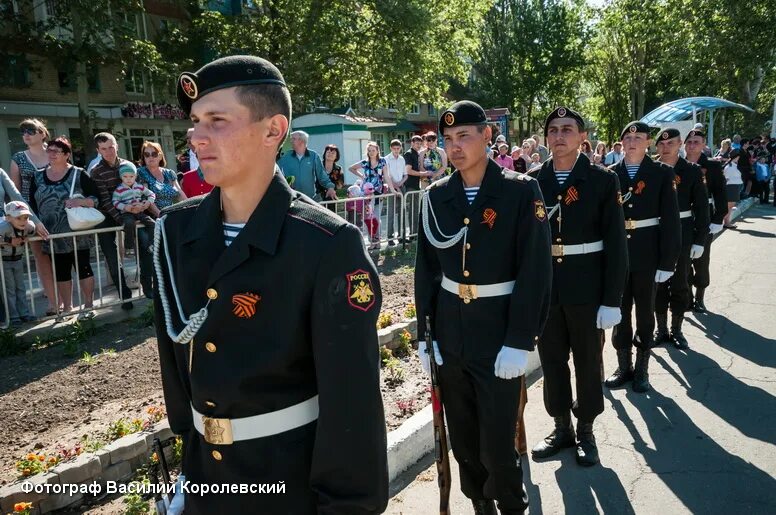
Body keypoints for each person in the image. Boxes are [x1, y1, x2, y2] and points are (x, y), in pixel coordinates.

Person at [155, 55, 388, 514]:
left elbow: (352, 399)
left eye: (217, 120)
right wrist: (188, 465)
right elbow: (176, 359)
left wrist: (347, 507)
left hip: (287, 480)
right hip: (206, 479)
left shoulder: (325, 243)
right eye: (196, 122)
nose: (196, 137)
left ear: (273, 130)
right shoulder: (175, 232)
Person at [415, 100, 551, 515]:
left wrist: (520, 339)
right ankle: (480, 506)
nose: (455, 147)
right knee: (465, 443)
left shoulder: (519, 190)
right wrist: (425, 335)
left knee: (497, 447)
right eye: (449, 139)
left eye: (465, 136)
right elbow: (427, 270)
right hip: (452, 334)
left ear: (487, 136)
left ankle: (511, 506)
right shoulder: (437, 195)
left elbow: (536, 270)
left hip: (499, 335)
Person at [528, 107, 627, 467]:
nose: (559, 136)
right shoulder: (533, 180)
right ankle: (561, 427)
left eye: (567, 129)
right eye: (553, 130)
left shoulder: (602, 180)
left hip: (588, 287)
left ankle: (585, 429)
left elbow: (616, 243)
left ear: (582, 137)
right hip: (548, 290)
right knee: (552, 361)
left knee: (587, 361)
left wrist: (612, 298)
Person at [604, 121, 680, 394]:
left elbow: (671, 221)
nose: (632, 141)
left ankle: (642, 370)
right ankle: (623, 367)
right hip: (617, 256)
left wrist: (667, 261)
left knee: (645, 315)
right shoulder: (610, 173)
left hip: (648, 255)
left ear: (648, 142)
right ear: (621, 142)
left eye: (639, 137)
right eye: (628, 137)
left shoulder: (661, 173)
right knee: (619, 312)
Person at [29, 136, 99, 319]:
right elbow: (31, 204)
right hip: (52, 235)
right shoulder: (37, 176)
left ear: (67, 155)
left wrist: (81, 201)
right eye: (49, 150)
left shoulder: (79, 173)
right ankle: (68, 308)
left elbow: (96, 199)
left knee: (83, 267)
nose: (51, 154)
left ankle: (89, 305)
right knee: (61, 271)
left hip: (78, 232)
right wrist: (36, 223)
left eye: (56, 151)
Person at [653, 128, 710, 350]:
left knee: (680, 283)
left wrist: (700, 240)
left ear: (680, 145)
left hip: (683, 233)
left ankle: (676, 329)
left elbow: (702, 208)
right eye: (662, 144)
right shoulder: (651, 169)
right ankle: (661, 328)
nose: (666, 148)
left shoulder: (692, 171)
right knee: (658, 285)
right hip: (655, 233)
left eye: (671, 144)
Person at [91, 132, 152, 305]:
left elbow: (139, 190)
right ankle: (124, 295)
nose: (109, 151)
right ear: (98, 150)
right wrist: (123, 220)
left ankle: (147, 285)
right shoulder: (97, 171)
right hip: (108, 214)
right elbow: (104, 199)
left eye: (111, 147)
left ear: (116, 145)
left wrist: (141, 206)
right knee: (111, 255)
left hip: (132, 212)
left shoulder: (129, 165)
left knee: (145, 245)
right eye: (104, 149)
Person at [9, 118, 57, 315]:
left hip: (57, 210)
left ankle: (66, 300)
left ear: (42, 133)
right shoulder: (19, 158)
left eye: (31, 130)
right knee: (41, 256)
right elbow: (15, 192)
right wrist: (26, 219)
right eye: (23, 131)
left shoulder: (55, 152)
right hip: (32, 213)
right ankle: (53, 303)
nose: (26, 134)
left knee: (62, 255)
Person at [683, 129, 727, 312]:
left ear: (703, 145)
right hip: (683, 218)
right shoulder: (677, 164)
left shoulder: (713, 166)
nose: (692, 145)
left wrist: (718, 218)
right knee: (683, 260)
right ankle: (687, 296)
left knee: (701, 260)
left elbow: (720, 193)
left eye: (696, 142)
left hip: (704, 217)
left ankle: (700, 297)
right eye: (689, 141)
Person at [0, 201, 38, 325]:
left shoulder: (28, 225)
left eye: (26, 217)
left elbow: (33, 230)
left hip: (18, 259)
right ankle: (13, 316)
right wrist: (9, 240)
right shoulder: (4, 226)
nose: (23, 221)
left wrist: (26, 236)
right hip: (4, 261)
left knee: (21, 288)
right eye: (18, 218)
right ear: (8, 218)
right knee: (9, 289)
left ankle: (24, 313)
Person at [277, 131, 337, 201]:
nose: (291, 141)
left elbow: (322, 175)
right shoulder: (286, 156)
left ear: (301, 141)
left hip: (310, 199)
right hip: (292, 199)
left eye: (293, 139)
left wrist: (330, 187)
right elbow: (275, 169)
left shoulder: (313, 156)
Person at [348, 142, 387, 247]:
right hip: (366, 194)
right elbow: (351, 168)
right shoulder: (365, 162)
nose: (371, 152)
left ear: (377, 150)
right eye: (369, 151)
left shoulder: (382, 161)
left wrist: (392, 189)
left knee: (377, 217)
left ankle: (377, 240)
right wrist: (362, 176)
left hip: (378, 192)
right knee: (368, 218)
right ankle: (371, 241)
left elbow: (387, 176)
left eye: (373, 150)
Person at [113, 162, 156, 255]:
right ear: (121, 177)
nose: (128, 179)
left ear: (135, 176)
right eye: (125, 177)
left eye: (131, 176)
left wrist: (148, 202)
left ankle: (152, 244)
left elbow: (151, 194)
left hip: (139, 211)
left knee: (152, 223)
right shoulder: (119, 189)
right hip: (127, 212)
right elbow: (115, 202)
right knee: (129, 223)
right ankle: (129, 247)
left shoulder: (139, 187)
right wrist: (125, 207)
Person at [136, 141, 187, 213]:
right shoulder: (141, 173)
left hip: (170, 212)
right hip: (153, 216)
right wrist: (161, 215)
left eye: (154, 154)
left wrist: (190, 206)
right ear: (144, 157)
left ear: (160, 156)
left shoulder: (169, 173)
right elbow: (147, 198)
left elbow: (179, 193)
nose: (150, 157)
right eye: (147, 154)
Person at [383, 140, 406, 245]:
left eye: (398, 148)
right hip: (391, 187)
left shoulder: (402, 159)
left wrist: (400, 183)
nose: (396, 150)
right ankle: (390, 237)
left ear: (400, 148)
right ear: (391, 148)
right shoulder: (386, 159)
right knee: (391, 212)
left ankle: (402, 236)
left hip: (401, 186)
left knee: (402, 211)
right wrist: (395, 186)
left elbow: (405, 174)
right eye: (394, 148)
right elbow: (386, 175)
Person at [403, 135, 424, 239]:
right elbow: (408, 170)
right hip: (410, 186)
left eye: (420, 144)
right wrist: (423, 174)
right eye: (417, 143)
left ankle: (415, 233)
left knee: (416, 210)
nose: (419, 145)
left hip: (416, 185)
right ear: (412, 143)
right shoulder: (409, 154)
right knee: (412, 210)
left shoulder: (417, 154)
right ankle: (412, 234)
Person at [721, 149, 743, 228]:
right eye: (738, 157)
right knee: (729, 207)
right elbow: (726, 178)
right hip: (731, 187)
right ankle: (726, 222)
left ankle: (726, 222)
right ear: (736, 157)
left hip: (734, 186)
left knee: (730, 207)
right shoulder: (729, 166)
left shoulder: (733, 165)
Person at [362, 182, 380, 250]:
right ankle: (372, 243)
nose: (371, 191)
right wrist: (367, 198)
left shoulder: (372, 195)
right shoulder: (363, 196)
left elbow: (372, 202)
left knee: (376, 224)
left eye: (372, 189)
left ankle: (375, 239)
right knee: (370, 228)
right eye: (370, 189)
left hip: (371, 215)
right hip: (366, 217)